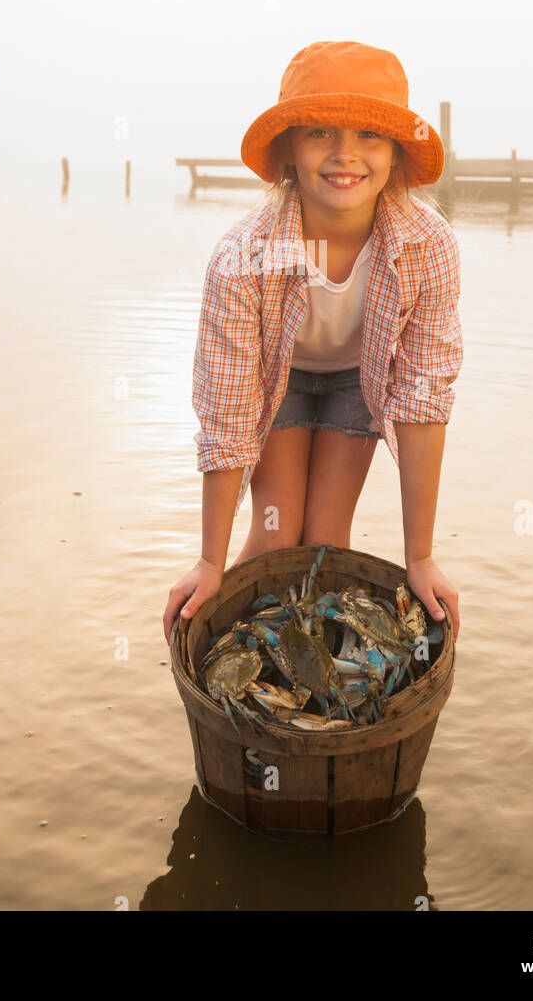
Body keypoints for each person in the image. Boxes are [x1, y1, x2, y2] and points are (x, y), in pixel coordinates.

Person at [162, 40, 463, 643]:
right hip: (280, 379)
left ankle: (315, 675)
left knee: (324, 539)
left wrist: (421, 557)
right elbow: (228, 414)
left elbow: (422, 399)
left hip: (359, 379)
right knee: (276, 534)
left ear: (396, 155)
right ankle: (239, 648)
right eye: (321, 132)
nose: (345, 155)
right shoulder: (241, 257)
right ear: (289, 151)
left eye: (369, 137)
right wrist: (209, 562)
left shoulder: (428, 244)